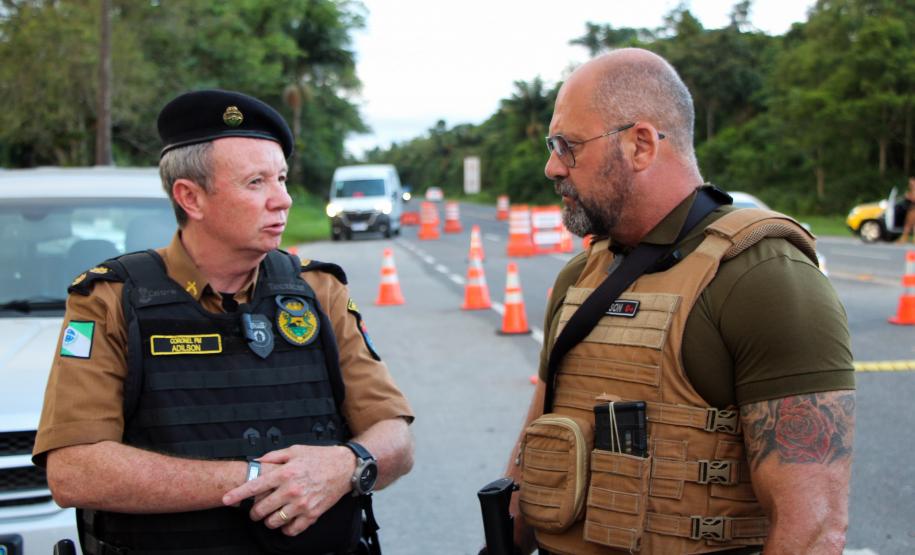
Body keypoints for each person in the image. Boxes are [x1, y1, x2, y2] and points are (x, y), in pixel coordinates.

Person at [502, 49, 855, 555]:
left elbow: (813, 529)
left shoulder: (764, 278)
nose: (552, 166)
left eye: (568, 146)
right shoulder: (581, 276)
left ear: (641, 145)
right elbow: (539, 439)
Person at [33, 89, 415, 554]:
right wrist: (256, 478)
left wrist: (347, 465)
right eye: (256, 183)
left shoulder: (318, 292)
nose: (283, 200)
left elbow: (395, 438)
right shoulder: (111, 301)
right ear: (190, 197)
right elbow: (75, 470)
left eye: (282, 179)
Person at [897, 176, 915, 243]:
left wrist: (908, 196)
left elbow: (913, 199)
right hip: (910, 209)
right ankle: (909, 239)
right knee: (911, 225)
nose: (910, 185)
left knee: (908, 225)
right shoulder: (911, 191)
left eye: (911, 183)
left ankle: (904, 239)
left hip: (913, 210)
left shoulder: (913, 191)